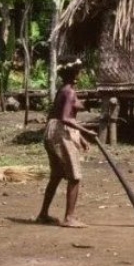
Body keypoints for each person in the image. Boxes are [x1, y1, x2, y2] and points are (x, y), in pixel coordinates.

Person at [37, 57, 97, 227]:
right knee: (75, 176)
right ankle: (69, 217)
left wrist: (81, 138)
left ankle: (43, 214)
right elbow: (65, 118)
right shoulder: (69, 92)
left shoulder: (63, 90)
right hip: (60, 132)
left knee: (56, 176)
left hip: (53, 131)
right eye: (77, 71)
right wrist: (87, 131)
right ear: (73, 74)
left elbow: (64, 116)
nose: (79, 74)